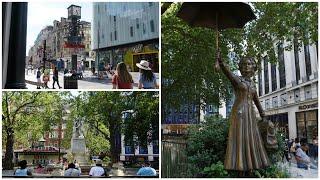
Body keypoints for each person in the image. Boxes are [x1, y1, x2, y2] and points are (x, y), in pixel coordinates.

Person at [216, 50, 270, 171]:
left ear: (253, 67)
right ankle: (239, 165)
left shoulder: (252, 85)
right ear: (240, 67)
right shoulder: (237, 80)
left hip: (250, 113)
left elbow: (256, 100)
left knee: (251, 137)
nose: (246, 67)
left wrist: (263, 114)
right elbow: (228, 73)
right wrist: (221, 62)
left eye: (249, 64)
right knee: (240, 138)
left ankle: (251, 165)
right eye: (244, 64)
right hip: (239, 112)